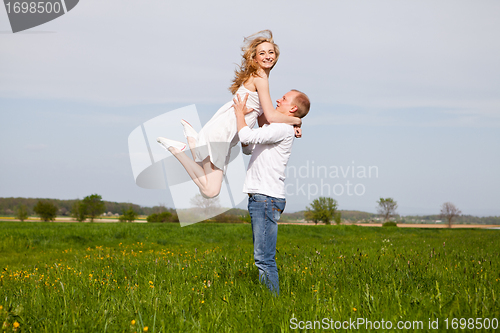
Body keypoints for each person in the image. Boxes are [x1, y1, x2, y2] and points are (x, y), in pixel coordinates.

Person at [156, 30, 301, 198]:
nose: (268, 56)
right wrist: (297, 120)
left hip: (224, 135)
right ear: (254, 58)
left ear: (276, 56)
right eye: (262, 53)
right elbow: (271, 116)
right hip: (221, 133)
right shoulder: (260, 77)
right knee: (211, 191)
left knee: (207, 190)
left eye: (271, 52)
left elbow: (264, 123)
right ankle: (178, 149)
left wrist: (289, 126)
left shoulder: (259, 78)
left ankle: (191, 141)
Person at [233, 90, 310, 295]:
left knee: (264, 258)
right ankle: (270, 299)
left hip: (265, 197)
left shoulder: (282, 129)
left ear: (292, 108)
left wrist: (239, 114)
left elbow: (247, 135)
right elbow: (248, 147)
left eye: (283, 98)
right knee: (262, 256)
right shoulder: (278, 127)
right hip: (261, 197)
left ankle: (273, 303)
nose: (278, 99)